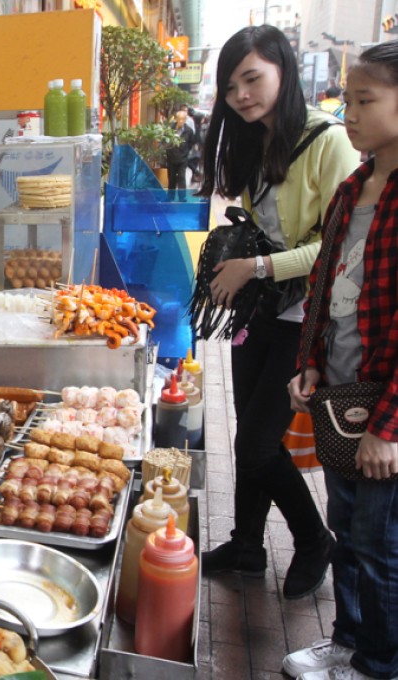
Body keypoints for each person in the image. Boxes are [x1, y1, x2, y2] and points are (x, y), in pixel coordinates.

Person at [196, 25, 361, 598]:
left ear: (283, 72)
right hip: (263, 312)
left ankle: (314, 540)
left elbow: (339, 244)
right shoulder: (254, 141)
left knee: (260, 443)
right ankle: (247, 545)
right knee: (249, 435)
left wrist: (258, 269)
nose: (242, 94)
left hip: (308, 318)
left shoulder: (328, 140)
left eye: (253, 78)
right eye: (232, 85)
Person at [283, 41, 398, 680]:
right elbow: (324, 284)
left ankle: (381, 664)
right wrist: (310, 364)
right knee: (347, 528)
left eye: (365, 100)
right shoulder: (355, 186)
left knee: (381, 547)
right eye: (347, 99)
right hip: (342, 394)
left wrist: (388, 426)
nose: (348, 113)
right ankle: (349, 644)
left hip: (384, 411)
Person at [166, 110, 194, 201]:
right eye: (179, 119)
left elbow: (191, 143)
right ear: (176, 119)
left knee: (181, 177)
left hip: (183, 159)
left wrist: (185, 152)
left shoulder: (189, 131)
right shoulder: (169, 129)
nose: (181, 121)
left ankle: (182, 197)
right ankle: (170, 196)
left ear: (185, 120)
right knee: (172, 178)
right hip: (171, 158)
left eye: (183, 119)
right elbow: (165, 141)